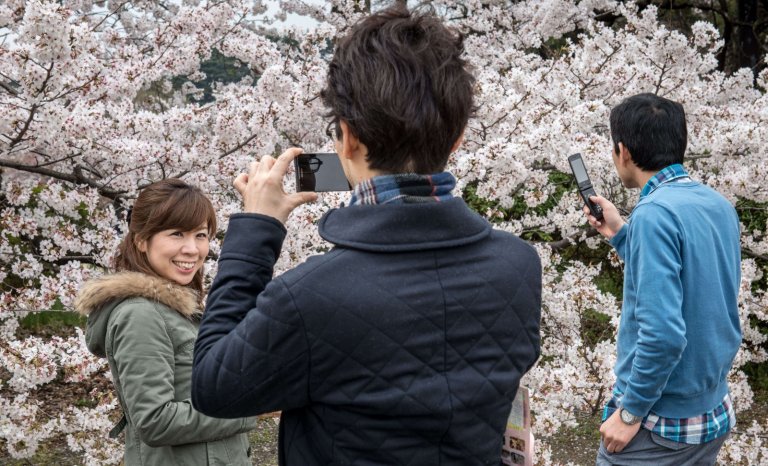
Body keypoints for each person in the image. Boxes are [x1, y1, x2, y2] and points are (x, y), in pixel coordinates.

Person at [191, 6, 542, 465]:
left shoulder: (307, 296)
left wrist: (256, 228)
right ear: (457, 140)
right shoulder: (519, 263)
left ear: (348, 139)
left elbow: (213, 387)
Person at [584, 93, 742, 466]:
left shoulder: (654, 215)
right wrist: (624, 235)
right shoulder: (717, 204)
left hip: (660, 427)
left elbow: (664, 335)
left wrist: (629, 414)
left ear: (622, 151)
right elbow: (696, 285)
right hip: (711, 410)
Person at [75, 179, 255, 465]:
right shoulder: (141, 315)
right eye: (177, 234)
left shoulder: (179, 309)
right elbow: (155, 420)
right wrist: (246, 408)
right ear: (142, 240)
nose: (192, 249)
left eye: (200, 235)